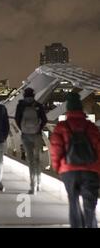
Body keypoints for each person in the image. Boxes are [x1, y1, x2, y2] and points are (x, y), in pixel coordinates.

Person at [50, 92, 100, 228]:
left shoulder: (61, 127)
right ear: (81, 109)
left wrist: (58, 167)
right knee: (90, 206)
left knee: (73, 202)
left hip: (69, 171)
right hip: (90, 171)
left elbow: (56, 150)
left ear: (68, 110)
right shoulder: (92, 127)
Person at [15, 87, 47, 194]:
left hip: (26, 135)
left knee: (30, 160)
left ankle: (32, 186)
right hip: (37, 135)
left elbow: (17, 119)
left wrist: (23, 129)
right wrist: (38, 128)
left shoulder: (21, 105)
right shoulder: (38, 105)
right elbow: (45, 119)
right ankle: (39, 183)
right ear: (33, 95)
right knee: (37, 159)